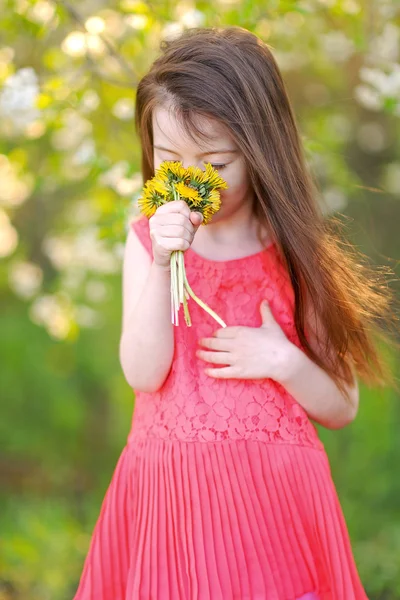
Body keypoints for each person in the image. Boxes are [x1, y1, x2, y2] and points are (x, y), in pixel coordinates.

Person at [73, 26, 397, 600]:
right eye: (171, 160)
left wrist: (282, 360)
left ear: (260, 152)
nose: (195, 180)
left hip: (272, 514)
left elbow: (342, 404)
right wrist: (162, 263)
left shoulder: (294, 249)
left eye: (216, 163)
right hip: (171, 501)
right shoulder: (149, 239)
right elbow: (143, 373)